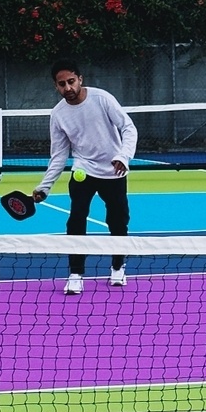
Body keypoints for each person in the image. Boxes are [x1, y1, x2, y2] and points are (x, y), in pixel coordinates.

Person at [33, 59, 138, 295]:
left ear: (80, 79)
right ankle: (75, 274)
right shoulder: (58, 115)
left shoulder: (102, 99)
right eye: (62, 84)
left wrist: (123, 156)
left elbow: (129, 128)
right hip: (83, 171)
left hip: (114, 170)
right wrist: (44, 187)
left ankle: (118, 266)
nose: (67, 88)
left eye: (71, 81)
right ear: (56, 87)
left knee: (118, 220)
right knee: (76, 219)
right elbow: (59, 155)